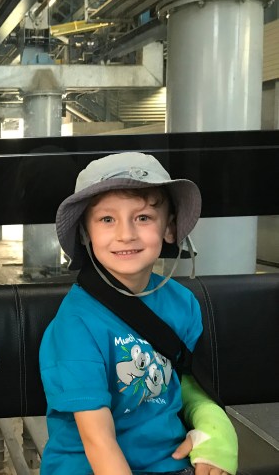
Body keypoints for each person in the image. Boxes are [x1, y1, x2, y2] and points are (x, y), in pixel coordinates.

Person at [39, 152, 238, 475]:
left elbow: (186, 380)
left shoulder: (182, 303)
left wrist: (213, 426)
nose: (126, 234)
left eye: (143, 217)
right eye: (107, 219)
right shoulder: (75, 324)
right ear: (86, 234)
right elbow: (98, 441)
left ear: (169, 228)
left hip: (170, 462)